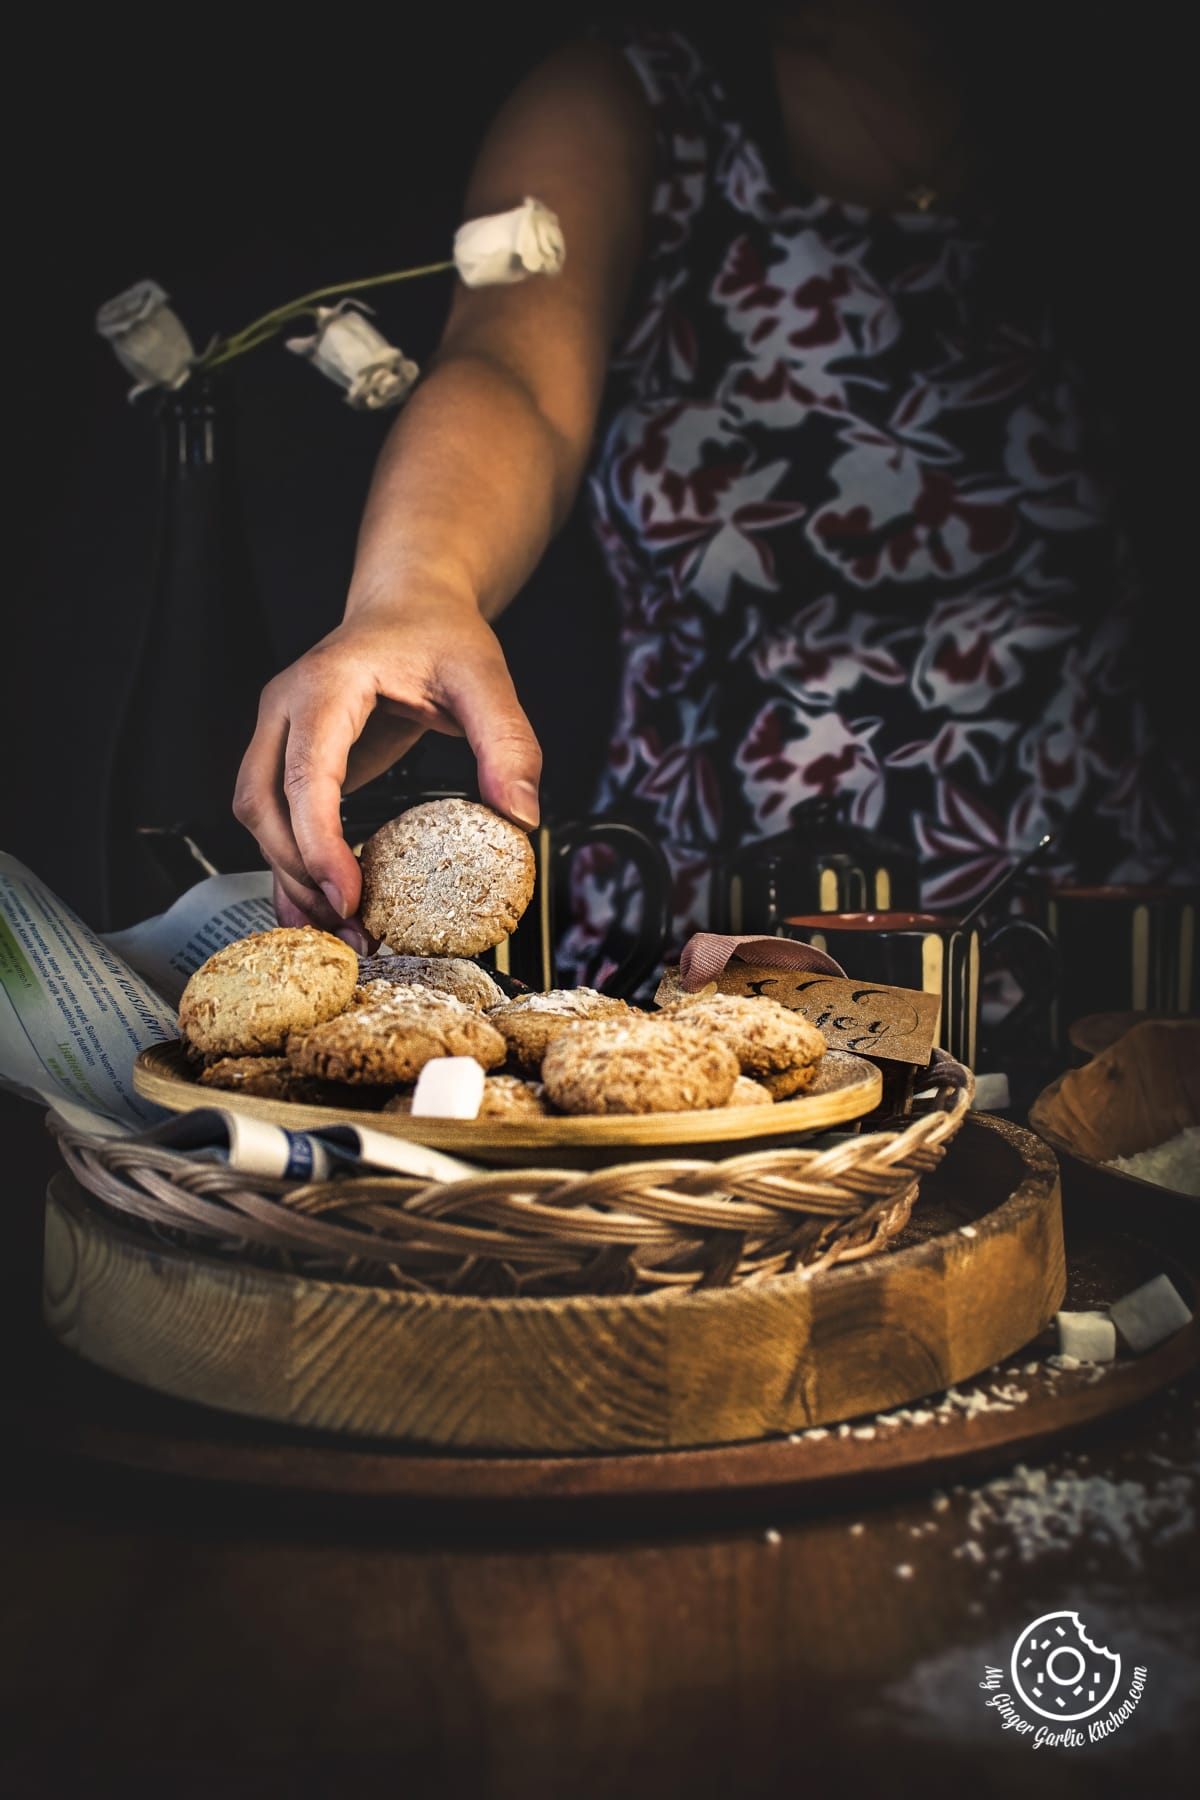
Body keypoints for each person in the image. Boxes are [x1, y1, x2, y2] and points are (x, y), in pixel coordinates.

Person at [231, 2, 1199, 986]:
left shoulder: (1142, 99)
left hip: (1106, 956)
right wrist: (415, 586)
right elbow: (509, 367)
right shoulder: (633, 101)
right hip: (693, 941)